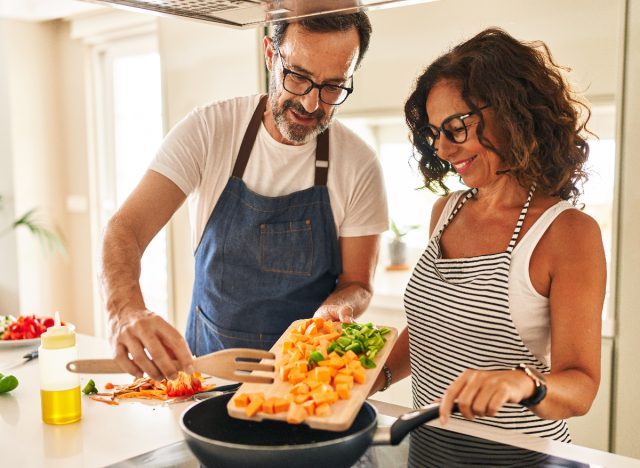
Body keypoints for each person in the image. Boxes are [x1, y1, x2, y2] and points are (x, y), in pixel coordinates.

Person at [100, 12, 388, 381]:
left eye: (332, 87)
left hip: (303, 380)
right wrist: (125, 310)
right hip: (205, 373)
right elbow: (125, 229)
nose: (312, 104)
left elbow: (357, 283)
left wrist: (336, 309)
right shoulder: (209, 130)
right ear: (270, 54)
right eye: (298, 77)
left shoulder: (359, 163)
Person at [372, 28, 606, 442]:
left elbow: (581, 386)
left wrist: (522, 383)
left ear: (512, 111)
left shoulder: (567, 232)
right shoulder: (446, 211)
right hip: (433, 445)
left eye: (456, 127)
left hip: (522, 455)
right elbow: (434, 328)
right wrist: (373, 374)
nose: (442, 150)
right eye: (434, 133)